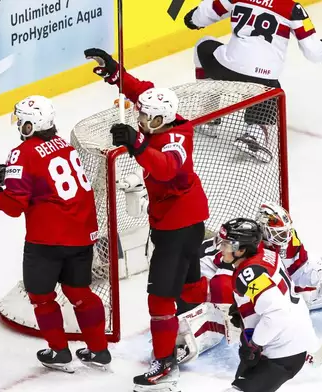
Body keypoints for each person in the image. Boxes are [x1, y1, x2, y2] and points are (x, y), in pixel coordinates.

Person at [85, 48, 210, 392]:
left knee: (159, 298)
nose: (144, 123)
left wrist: (137, 144)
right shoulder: (164, 114)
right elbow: (142, 92)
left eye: (151, 121)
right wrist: (116, 72)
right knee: (187, 284)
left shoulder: (175, 140)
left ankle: (165, 363)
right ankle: (222, 310)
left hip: (177, 226)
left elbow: (166, 168)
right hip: (184, 219)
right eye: (143, 118)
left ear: (165, 120)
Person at [0, 95, 110, 373]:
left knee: (42, 297)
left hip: (47, 241)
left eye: (21, 121)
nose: (19, 126)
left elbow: (13, 206)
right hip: (82, 235)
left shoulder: (22, 153)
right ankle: (99, 350)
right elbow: (44, 181)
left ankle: (59, 352)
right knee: (79, 292)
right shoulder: (65, 147)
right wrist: (8, 179)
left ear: (30, 125)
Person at [174, 202, 322, 365]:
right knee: (237, 314)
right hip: (198, 277)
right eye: (278, 234)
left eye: (284, 233)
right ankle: (181, 342)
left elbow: (298, 270)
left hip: (221, 278)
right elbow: (223, 287)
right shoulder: (245, 248)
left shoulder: (284, 240)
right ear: (264, 230)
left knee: (289, 301)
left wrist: (316, 280)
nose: (284, 238)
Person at [183, 0, 322, 162]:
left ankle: (210, 113)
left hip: (228, 68)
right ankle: (256, 133)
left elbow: (204, 14)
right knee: (269, 89)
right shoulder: (294, 9)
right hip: (265, 81)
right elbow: (312, 51)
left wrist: (192, 19)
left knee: (203, 45)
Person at [216, 217, 317, 391]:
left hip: (283, 351)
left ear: (240, 250)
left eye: (226, 244)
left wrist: (254, 344)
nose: (221, 249)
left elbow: (278, 313)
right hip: (291, 338)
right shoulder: (266, 253)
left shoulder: (249, 274)